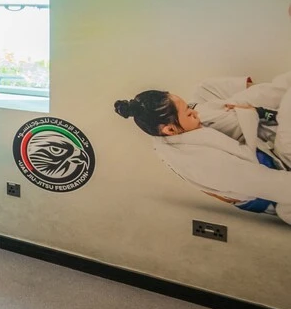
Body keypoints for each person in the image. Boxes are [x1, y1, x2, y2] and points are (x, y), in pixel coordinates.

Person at [114, 84, 291, 225]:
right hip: (275, 184)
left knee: (208, 90)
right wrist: (254, 114)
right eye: (189, 113)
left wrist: (256, 112)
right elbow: (274, 185)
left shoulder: (171, 134)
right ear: (170, 129)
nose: (196, 113)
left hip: (267, 157)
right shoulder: (202, 164)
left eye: (190, 107)